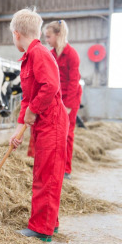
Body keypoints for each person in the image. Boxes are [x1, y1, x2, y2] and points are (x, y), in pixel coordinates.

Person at [9, 9, 69, 242]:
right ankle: (49, 222)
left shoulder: (39, 53)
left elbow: (50, 86)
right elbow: (27, 97)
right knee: (45, 172)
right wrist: (18, 129)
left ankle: (41, 229)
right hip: (43, 122)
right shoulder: (29, 57)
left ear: (16, 34)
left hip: (52, 122)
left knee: (47, 175)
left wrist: (33, 110)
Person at [44, 20, 82, 180]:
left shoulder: (71, 54)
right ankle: (54, 165)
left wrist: (68, 106)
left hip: (70, 98)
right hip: (56, 98)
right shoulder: (51, 54)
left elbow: (74, 81)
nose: (47, 40)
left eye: (49, 36)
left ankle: (66, 169)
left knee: (67, 133)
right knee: (54, 133)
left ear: (58, 35)